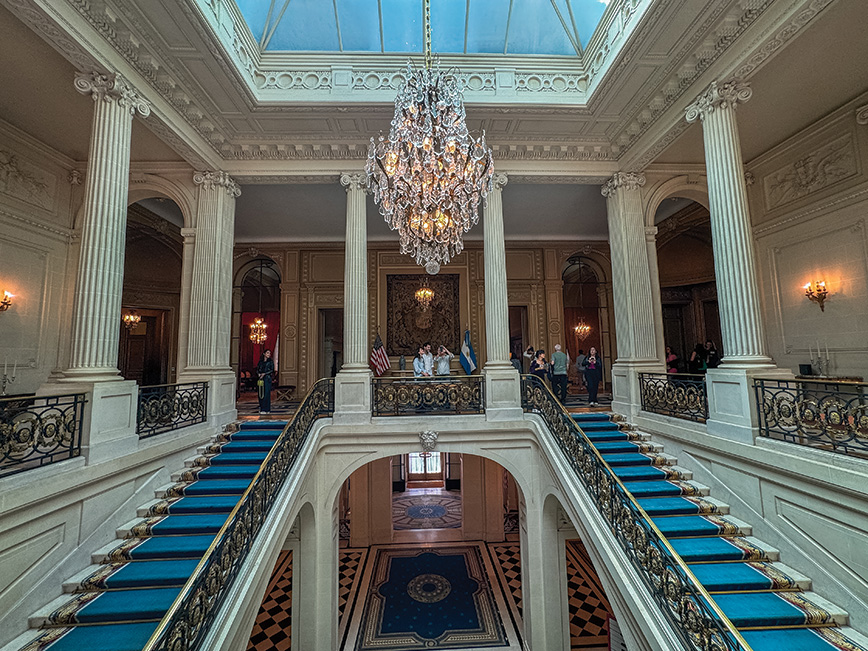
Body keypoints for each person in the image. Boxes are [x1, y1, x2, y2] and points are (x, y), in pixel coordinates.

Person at [256, 349, 274, 414]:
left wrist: (265, 374)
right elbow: (257, 369)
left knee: (266, 393)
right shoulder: (260, 362)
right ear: (264, 354)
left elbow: (271, 370)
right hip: (260, 379)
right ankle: (261, 407)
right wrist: (259, 374)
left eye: (269, 353)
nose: (269, 354)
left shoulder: (270, 362)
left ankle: (266, 409)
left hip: (267, 379)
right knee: (260, 393)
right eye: (267, 353)